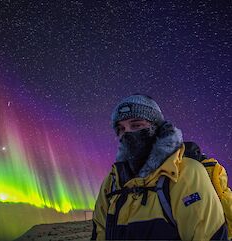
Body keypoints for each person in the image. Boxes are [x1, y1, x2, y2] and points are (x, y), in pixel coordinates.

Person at [91, 94, 228, 240]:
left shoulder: (187, 174)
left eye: (136, 125)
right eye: (121, 129)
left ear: (157, 127)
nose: (127, 134)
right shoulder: (112, 182)